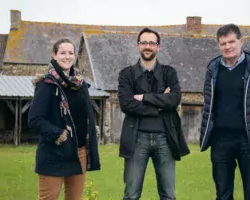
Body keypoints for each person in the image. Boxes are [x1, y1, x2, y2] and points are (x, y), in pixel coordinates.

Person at [200, 24, 250, 200]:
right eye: (223, 44)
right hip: (220, 141)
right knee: (223, 194)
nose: (227, 47)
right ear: (219, 45)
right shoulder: (212, 69)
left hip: (248, 141)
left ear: (241, 41)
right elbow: (209, 104)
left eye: (231, 42)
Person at [117, 27, 190, 200]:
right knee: (131, 194)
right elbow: (127, 104)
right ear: (138, 46)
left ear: (158, 47)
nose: (148, 46)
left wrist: (144, 97)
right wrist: (159, 105)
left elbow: (174, 99)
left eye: (152, 43)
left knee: (168, 195)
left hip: (165, 139)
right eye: (144, 42)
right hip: (136, 139)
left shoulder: (169, 72)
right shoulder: (126, 74)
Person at [28, 38, 100, 200]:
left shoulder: (80, 84)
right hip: (54, 153)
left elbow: (87, 113)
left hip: (79, 152)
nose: (67, 57)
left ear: (75, 56)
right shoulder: (46, 85)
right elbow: (34, 119)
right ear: (54, 55)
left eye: (70, 53)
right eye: (62, 53)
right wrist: (59, 133)